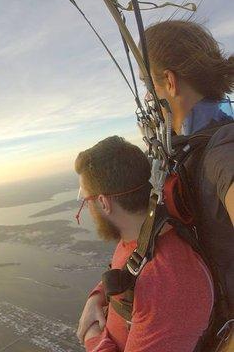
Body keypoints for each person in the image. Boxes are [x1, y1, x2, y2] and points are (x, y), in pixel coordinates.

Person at [77, 20, 234, 347]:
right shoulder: (188, 151)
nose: (147, 96)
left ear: (170, 82)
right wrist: (100, 295)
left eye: (148, 85)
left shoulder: (221, 152)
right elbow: (144, 244)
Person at [74, 136, 213, 351]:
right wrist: (96, 298)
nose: (87, 209)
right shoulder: (140, 239)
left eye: (86, 199)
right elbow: (126, 272)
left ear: (103, 202)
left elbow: (151, 286)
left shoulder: (168, 282)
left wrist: (92, 335)